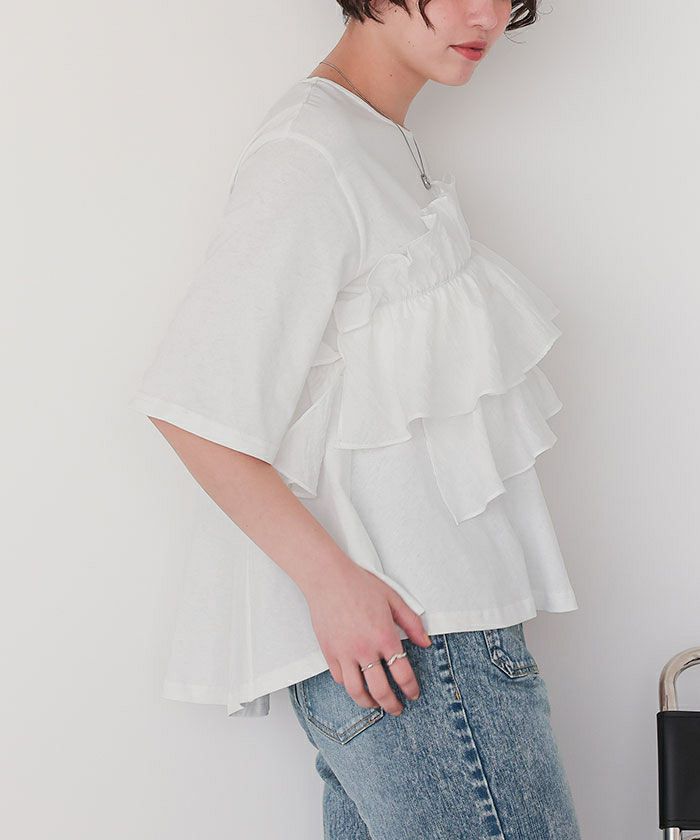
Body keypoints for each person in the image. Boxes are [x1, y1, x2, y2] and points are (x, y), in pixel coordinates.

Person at [129, 1, 582, 836]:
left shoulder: (372, 139)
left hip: (430, 642)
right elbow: (194, 407)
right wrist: (334, 587)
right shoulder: (313, 152)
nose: (485, 14)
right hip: (419, 648)